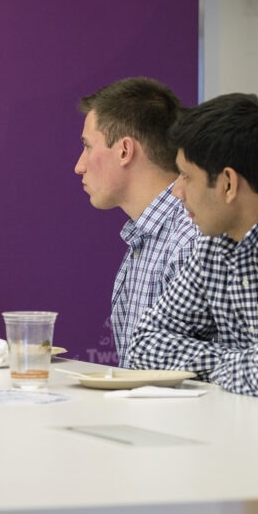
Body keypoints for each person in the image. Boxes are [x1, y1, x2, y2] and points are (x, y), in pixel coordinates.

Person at [129, 93, 258, 398]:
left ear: (228, 183)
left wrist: (219, 364)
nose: (177, 192)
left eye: (185, 176)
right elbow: (142, 346)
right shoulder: (216, 242)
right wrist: (242, 359)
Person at [75, 77, 198, 367]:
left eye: (88, 147)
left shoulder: (188, 240)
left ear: (124, 151)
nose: (79, 165)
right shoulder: (147, 237)